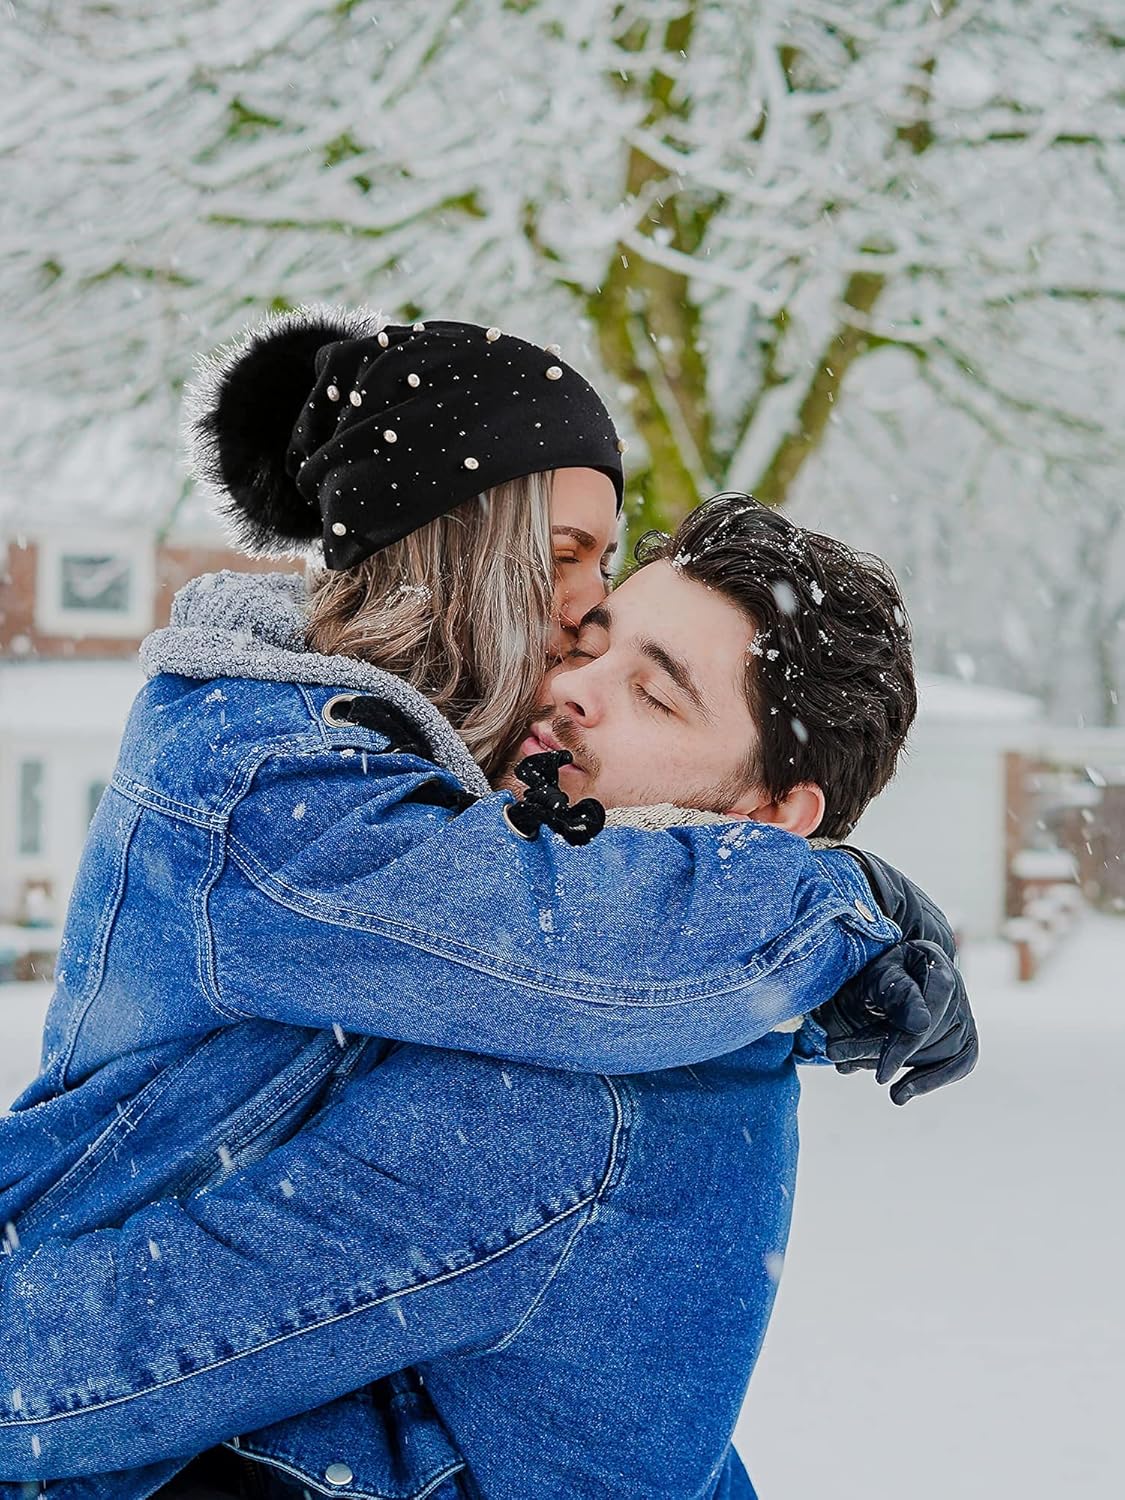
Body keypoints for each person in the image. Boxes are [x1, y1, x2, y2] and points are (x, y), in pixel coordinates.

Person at [0, 312, 976, 1498]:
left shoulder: (563, 1091)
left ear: (775, 818)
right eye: (578, 596)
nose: (570, 678)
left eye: (655, 699)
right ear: (454, 552)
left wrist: (837, 914)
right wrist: (844, 910)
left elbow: (93, 1362)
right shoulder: (294, 792)